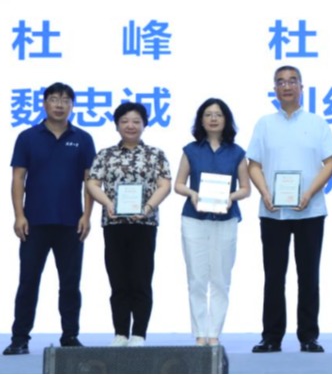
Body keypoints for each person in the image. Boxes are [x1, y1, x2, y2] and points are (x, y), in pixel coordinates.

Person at [247, 66, 332, 353]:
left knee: (308, 275)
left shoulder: (317, 123)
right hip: (273, 211)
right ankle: (271, 337)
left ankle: (308, 336)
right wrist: (265, 193)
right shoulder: (264, 124)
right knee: (274, 275)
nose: (286, 86)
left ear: (301, 87)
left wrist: (309, 193)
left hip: (310, 211)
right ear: (274, 89)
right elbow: (253, 165)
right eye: (280, 82)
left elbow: (331, 163)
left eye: (292, 81)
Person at [4, 83, 96, 356]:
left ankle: (70, 336)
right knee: (28, 281)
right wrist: (19, 215)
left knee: (70, 283)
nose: (59, 105)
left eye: (66, 100)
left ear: (72, 106)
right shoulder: (28, 137)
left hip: (71, 222)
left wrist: (87, 215)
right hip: (34, 222)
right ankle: (20, 338)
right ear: (44, 104)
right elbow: (18, 178)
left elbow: (90, 180)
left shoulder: (83, 138)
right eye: (54, 99)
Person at [86, 102, 172, 347]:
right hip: (114, 224)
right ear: (116, 125)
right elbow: (92, 183)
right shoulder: (105, 154)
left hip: (144, 224)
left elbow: (164, 185)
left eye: (136, 121)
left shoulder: (155, 154)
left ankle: (139, 334)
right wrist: (108, 203)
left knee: (141, 279)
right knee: (118, 280)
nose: (130, 126)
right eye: (124, 121)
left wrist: (147, 208)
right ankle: (120, 333)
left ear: (144, 124)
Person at [173, 98, 251, 346]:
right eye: (208, 114)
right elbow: (178, 184)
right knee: (196, 278)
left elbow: (246, 188)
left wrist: (231, 197)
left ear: (226, 120)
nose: (213, 119)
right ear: (201, 120)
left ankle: (214, 333)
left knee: (220, 278)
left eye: (218, 114)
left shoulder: (237, 152)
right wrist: (192, 193)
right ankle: (199, 333)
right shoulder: (191, 150)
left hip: (225, 219)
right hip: (194, 219)